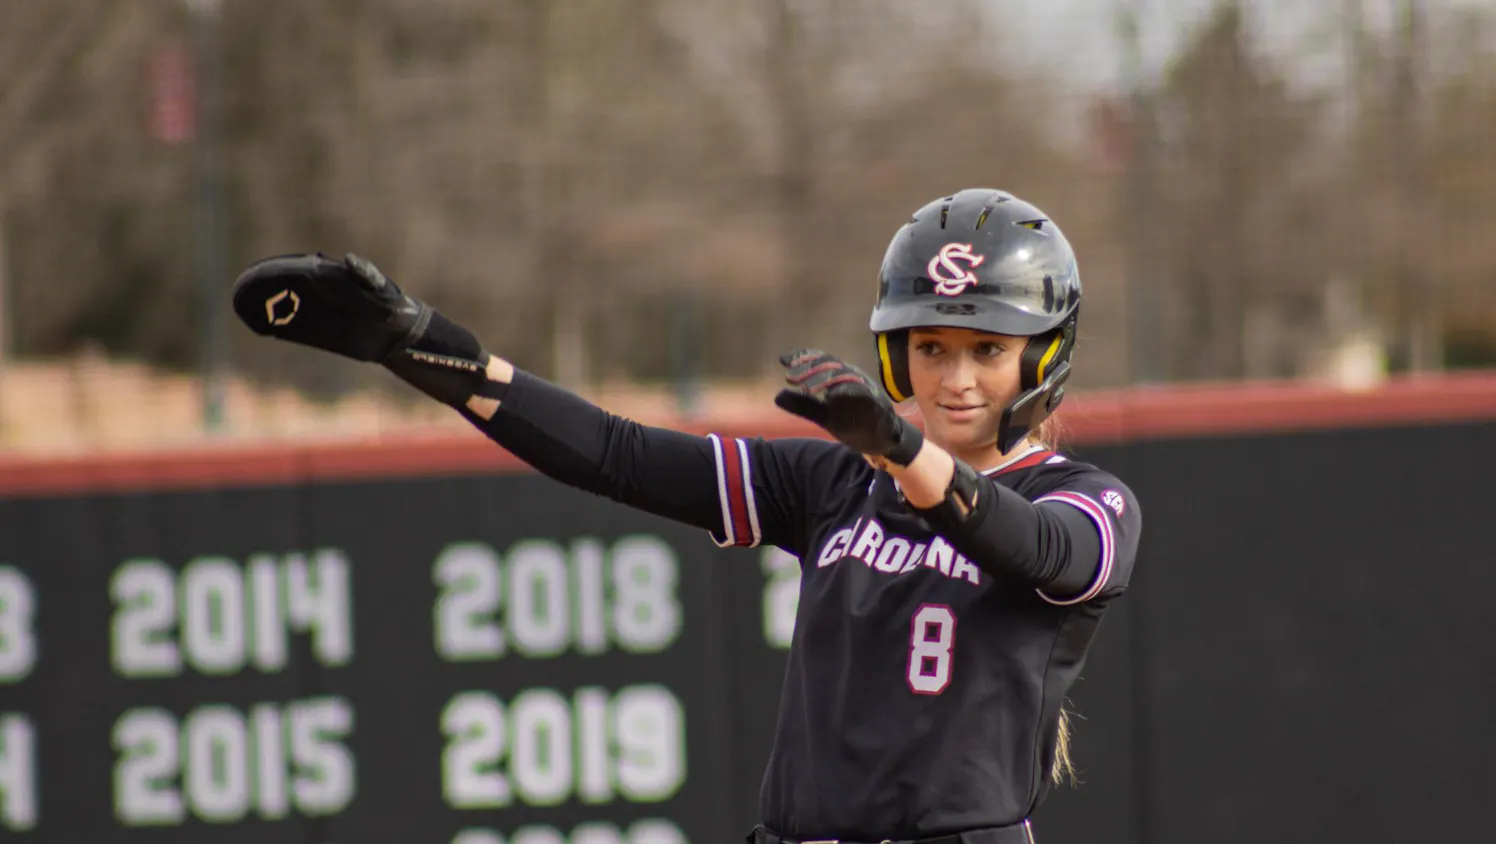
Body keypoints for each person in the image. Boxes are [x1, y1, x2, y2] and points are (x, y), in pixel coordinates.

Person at [232, 187, 1142, 844]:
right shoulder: (834, 487)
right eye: (930, 345)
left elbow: (1042, 552)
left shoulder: (1082, 498)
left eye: (989, 348)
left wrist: (907, 457)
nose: (956, 375)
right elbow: (616, 453)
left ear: (1044, 358)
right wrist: (425, 350)